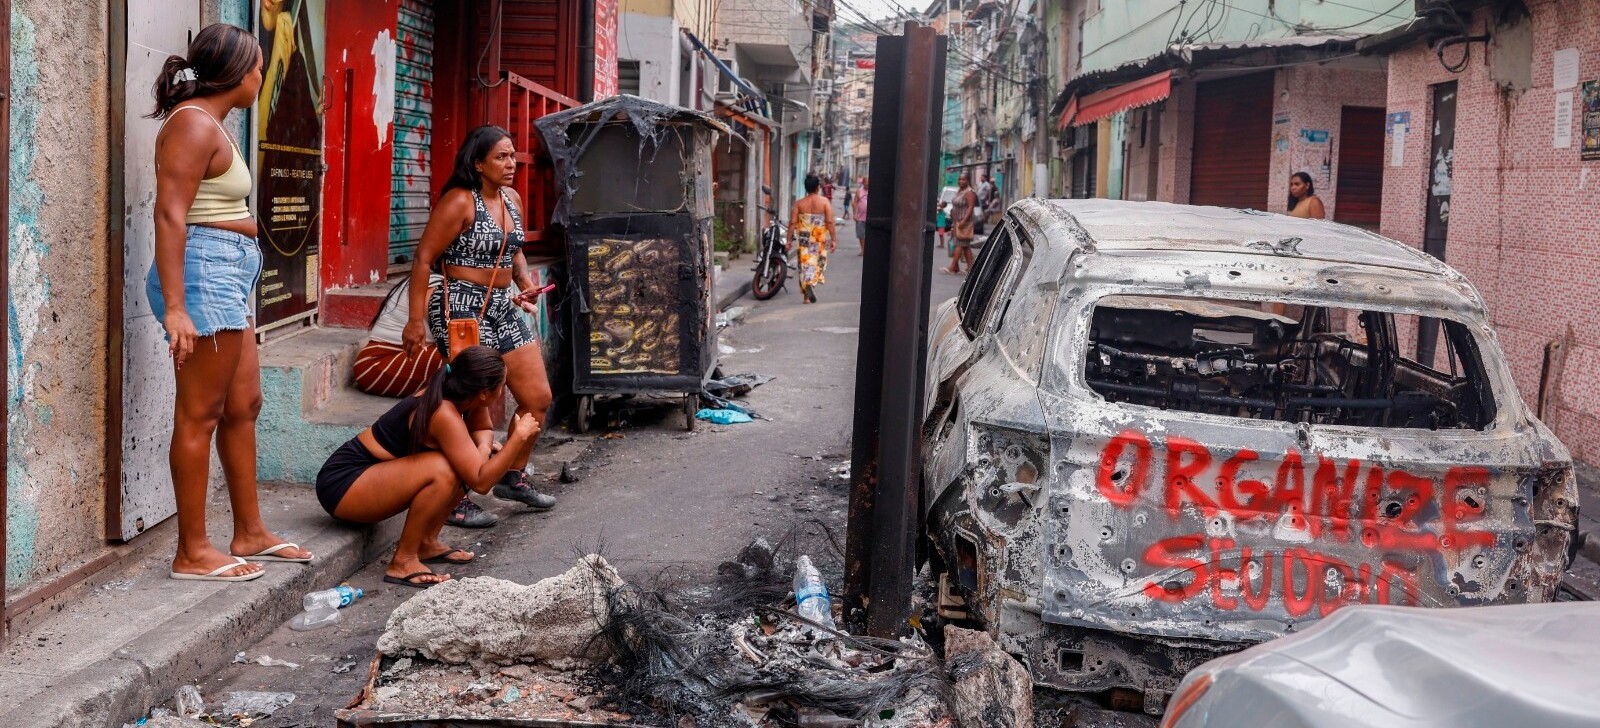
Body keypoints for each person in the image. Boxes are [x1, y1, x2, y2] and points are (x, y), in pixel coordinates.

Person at [146, 24, 313, 581]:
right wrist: (176, 307)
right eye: (259, 66)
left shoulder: (212, 123)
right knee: (200, 415)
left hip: (227, 272)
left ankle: (250, 532)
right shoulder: (193, 124)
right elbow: (170, 215)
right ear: (239, 72)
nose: (262, 75)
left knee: (244, 405)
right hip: (202, 274)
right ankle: (191, 552)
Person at [403, 125, 557, 514]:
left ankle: (512, 476)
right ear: (478, 164)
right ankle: (454, 498)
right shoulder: (459, 201)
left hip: (502, 305)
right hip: (460, 306)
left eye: (512, 156)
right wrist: (415, 321)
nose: (511, 164)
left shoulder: (511, 199)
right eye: (501, 157)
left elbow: (513, 248)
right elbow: (423, 258)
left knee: (537, 398)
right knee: (469, 404)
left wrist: (524, 282)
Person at [315, 346, 539, 588]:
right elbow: (481, 482)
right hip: (342, 485)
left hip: (370, 480)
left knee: (460, 463)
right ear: (485, 393)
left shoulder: (468, 392)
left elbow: (482, 430)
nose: (504, 389)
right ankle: (403, 561)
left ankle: (426, 543)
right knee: (444, 468)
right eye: (502, 385)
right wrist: (517, 439)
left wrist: (482, 449)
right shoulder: (443, 413)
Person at [790, 174, 838, 303]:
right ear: (818, 187)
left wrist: (788, 241)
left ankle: (806, 296)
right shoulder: (824, 202)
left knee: (804, 264)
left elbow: (792, 223)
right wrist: (834, 239)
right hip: (819, 239)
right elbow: (829, 222)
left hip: (804, 239)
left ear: (806, 188)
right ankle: (812, 281)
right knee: (818, 262)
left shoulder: (799, 203)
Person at [945, 173, 979, 275]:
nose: (961, 181)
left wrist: (964, 221)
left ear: (968, 180)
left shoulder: (969, 192)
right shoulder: (959, 191)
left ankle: (953, 267)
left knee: (959, 244)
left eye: (963, 179)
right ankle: (970, 268)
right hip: (957, 222)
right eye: (959, 179)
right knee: (965, 245)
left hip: (964, 223)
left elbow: (970, 207)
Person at [853, 178, 869, 253]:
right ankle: (863, 249)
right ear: (863, 183)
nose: (867, 184)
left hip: (869, 217)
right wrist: (855, 214)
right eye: (866, 183)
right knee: (861, 235)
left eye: (868, 183)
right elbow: (855, 202)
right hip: (860, 217)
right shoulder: (859, 191)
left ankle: (867, 249)